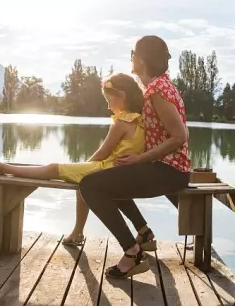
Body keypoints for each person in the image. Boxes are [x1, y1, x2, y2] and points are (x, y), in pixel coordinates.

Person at [0, 72, 146, 247]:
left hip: (106, 169)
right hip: (117, 172)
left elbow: (102, 153)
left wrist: (84, 165)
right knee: (82, 181)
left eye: (109, 100)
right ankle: (78, 232)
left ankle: (3, 168)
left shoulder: (121, 124)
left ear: (122, 96)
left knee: (52, 168)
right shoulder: (142, 121)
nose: (109, 106)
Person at [78, 35, 191, 279]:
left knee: (90, 186)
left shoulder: (157, 90)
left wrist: (141, 159)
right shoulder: (160, 86)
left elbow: (179, 135)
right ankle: (143, 234)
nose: (131, 57)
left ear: (141, 59)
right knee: (111, 179)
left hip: (169, 172)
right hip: (168, 169)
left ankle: (132, 252)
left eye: (133, 53)